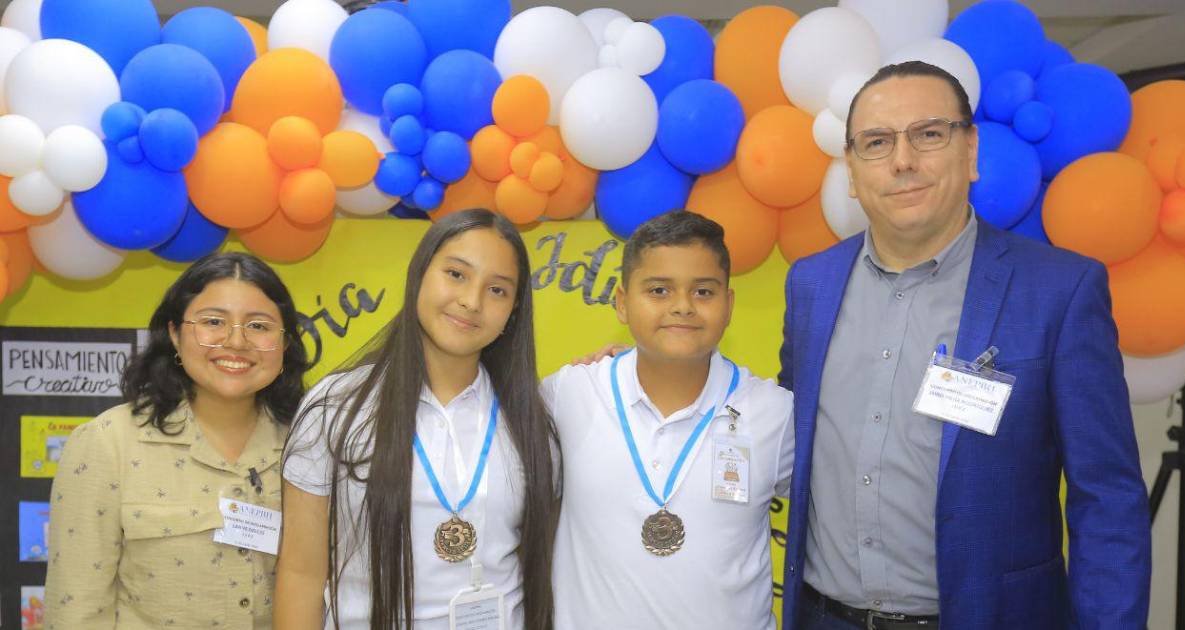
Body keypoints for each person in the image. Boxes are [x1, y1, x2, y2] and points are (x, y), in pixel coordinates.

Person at [779, 61, 1151, 630]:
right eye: (877, 142)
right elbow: (780, 434)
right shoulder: (811, 284)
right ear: (851, 170)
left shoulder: (1059, 291)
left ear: (971, 150)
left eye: (929, 134)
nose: (903, 161)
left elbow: (1107, 498)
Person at [274, 209, 560, 630]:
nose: (472, 301)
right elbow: (301, 572)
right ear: (419, 275)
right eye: (456, 274)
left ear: (513, 310)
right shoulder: (336, 407)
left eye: (497, 290)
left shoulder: (533, 418)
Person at [545, 210, 795, 629]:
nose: (682, 306)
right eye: (659, 290)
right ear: (622, 303)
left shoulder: (776, 412)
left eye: (703, 291)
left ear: (729, 305)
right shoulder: (567, 394)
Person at [44, 252, 310, 629]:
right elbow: (75, 609)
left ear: (284, 343)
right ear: (174, 333)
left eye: (258, 325)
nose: (236, 341)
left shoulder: (311, 446)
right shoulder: (108, 443)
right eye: (213, 322)